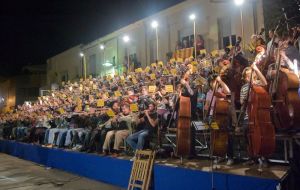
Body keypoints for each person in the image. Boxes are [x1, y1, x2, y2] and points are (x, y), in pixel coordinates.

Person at [238, 63, 268, 166]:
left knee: (261, 136)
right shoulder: (244, 88)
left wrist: (256, 69)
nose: (248, 77)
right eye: (246, 76)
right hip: (248, 116)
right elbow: (242, 102)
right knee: (247, 135)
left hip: (258, 116)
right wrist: (244, 100)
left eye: (249, 75)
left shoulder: (258, 83)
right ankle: (251, 157)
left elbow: (265, 82)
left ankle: (263, 157)